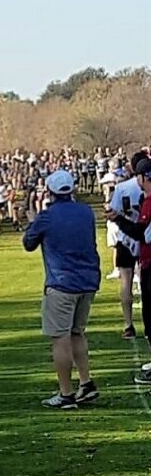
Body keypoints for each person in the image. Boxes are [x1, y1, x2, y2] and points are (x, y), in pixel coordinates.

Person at [22, 170, 100, 410]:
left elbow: (28, 243)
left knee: (60, 337)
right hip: (88, 280)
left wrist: (33, 220)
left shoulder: (47, 217)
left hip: (61, 282)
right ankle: (86, 383)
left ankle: (66, 393)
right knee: (77, 332)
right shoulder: (86, 212)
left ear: (50, 191)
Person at [107, 157, 151, 384]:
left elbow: (117, 214)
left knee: (126, 281)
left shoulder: (127, 189)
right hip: (141, 246)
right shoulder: (143, 194)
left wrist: (119, 222)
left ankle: (128, 324)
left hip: (131, 243)